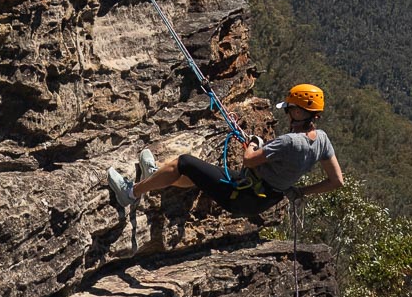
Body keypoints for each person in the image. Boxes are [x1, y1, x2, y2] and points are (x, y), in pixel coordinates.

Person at [107, 83, 344, 215]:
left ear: (301, 112)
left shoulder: (290, 141)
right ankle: (156, 176)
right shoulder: (321, 139)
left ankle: (130, 193)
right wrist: (300, 192)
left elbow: (250, 160)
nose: (287, 114)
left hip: (243, 196)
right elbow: (337, 181)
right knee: (200, 175)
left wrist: (252, 144)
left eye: (290, 109)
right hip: (261, 200)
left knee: (184, 163)